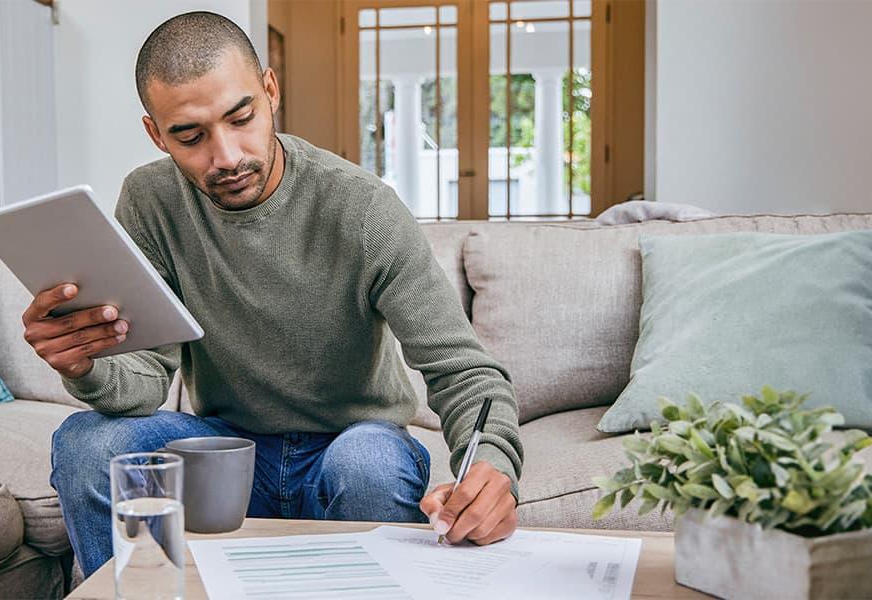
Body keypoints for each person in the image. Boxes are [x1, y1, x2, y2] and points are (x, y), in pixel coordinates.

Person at [26, 11, 524, 578]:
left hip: (351, 447)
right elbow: (143, 382)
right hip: (223, 456)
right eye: (190, 136)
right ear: (155, 133)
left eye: (242, 118)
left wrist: (492, 466)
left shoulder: (363, 209)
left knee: (368, 465)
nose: (228, 156)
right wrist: (88, 364)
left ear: (269, 90)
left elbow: (464, 372)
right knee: (87, 444)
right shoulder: (149, 202)